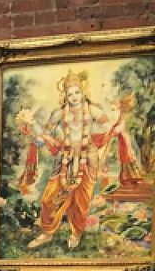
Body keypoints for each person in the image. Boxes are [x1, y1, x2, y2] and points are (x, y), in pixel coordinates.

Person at [17, 70, 140, 250]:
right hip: (64, 158)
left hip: (87, 159)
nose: (74, 97)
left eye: (77, 92)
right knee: (49, 198)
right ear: (64, 96)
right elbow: (44, 138)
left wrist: (120, 120)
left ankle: (76, 233)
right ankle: (47, 233)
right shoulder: (58, 113)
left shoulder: (93, 110)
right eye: (69, 94)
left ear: (83, 92)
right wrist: (32, 126)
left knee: (81, 202)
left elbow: (109, 129)